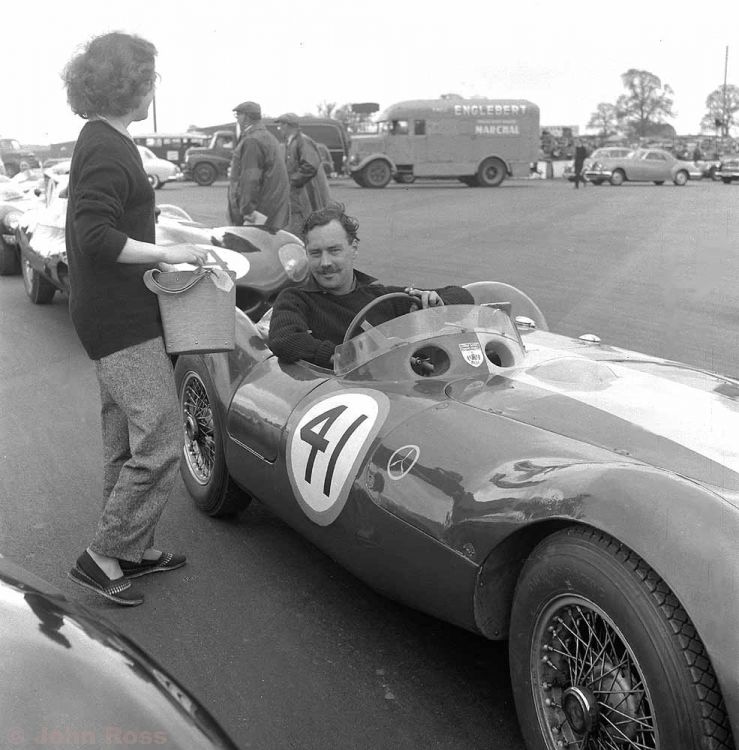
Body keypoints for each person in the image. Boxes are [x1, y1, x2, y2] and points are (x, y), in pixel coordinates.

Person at [62, 32, 210, 606]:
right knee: (163, 437)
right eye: (148, 78)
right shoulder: (105, 145)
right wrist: (166, 252)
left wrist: (158, 252)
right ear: (127, 84)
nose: (153, 88)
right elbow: (94, 236)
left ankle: (131, 547)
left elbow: (108, 226)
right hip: (120, 318)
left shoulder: (104, 138)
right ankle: (102, 555)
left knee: (124, 439)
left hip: (113, 310)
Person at [268, 203, 473, 367]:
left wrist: (438, 303)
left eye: (334, 250)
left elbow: (462, 295)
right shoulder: (296, 299)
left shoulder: (383, 297)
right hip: (338, 395)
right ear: (306, 253)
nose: (325, 263)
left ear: (353, 248)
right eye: (315, 253)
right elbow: (284, 339)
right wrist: (347, 357)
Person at [228, 101, 289, 230]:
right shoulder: (269, 137)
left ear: (246, 117)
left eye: (238, 115)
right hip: (271, 207)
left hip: (257, 212)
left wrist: (247, 210)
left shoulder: (252, 140)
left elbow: (250, 178)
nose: (237, 119)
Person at [274, 113, 331, 236]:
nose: (279, 129)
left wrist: (292, 182)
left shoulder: (302, 141)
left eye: (280, 126)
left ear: (287, 125)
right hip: (298, 194)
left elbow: (310, 166)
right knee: (300, 223)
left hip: (306, 193)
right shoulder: (292, 142)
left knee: (304, 223)